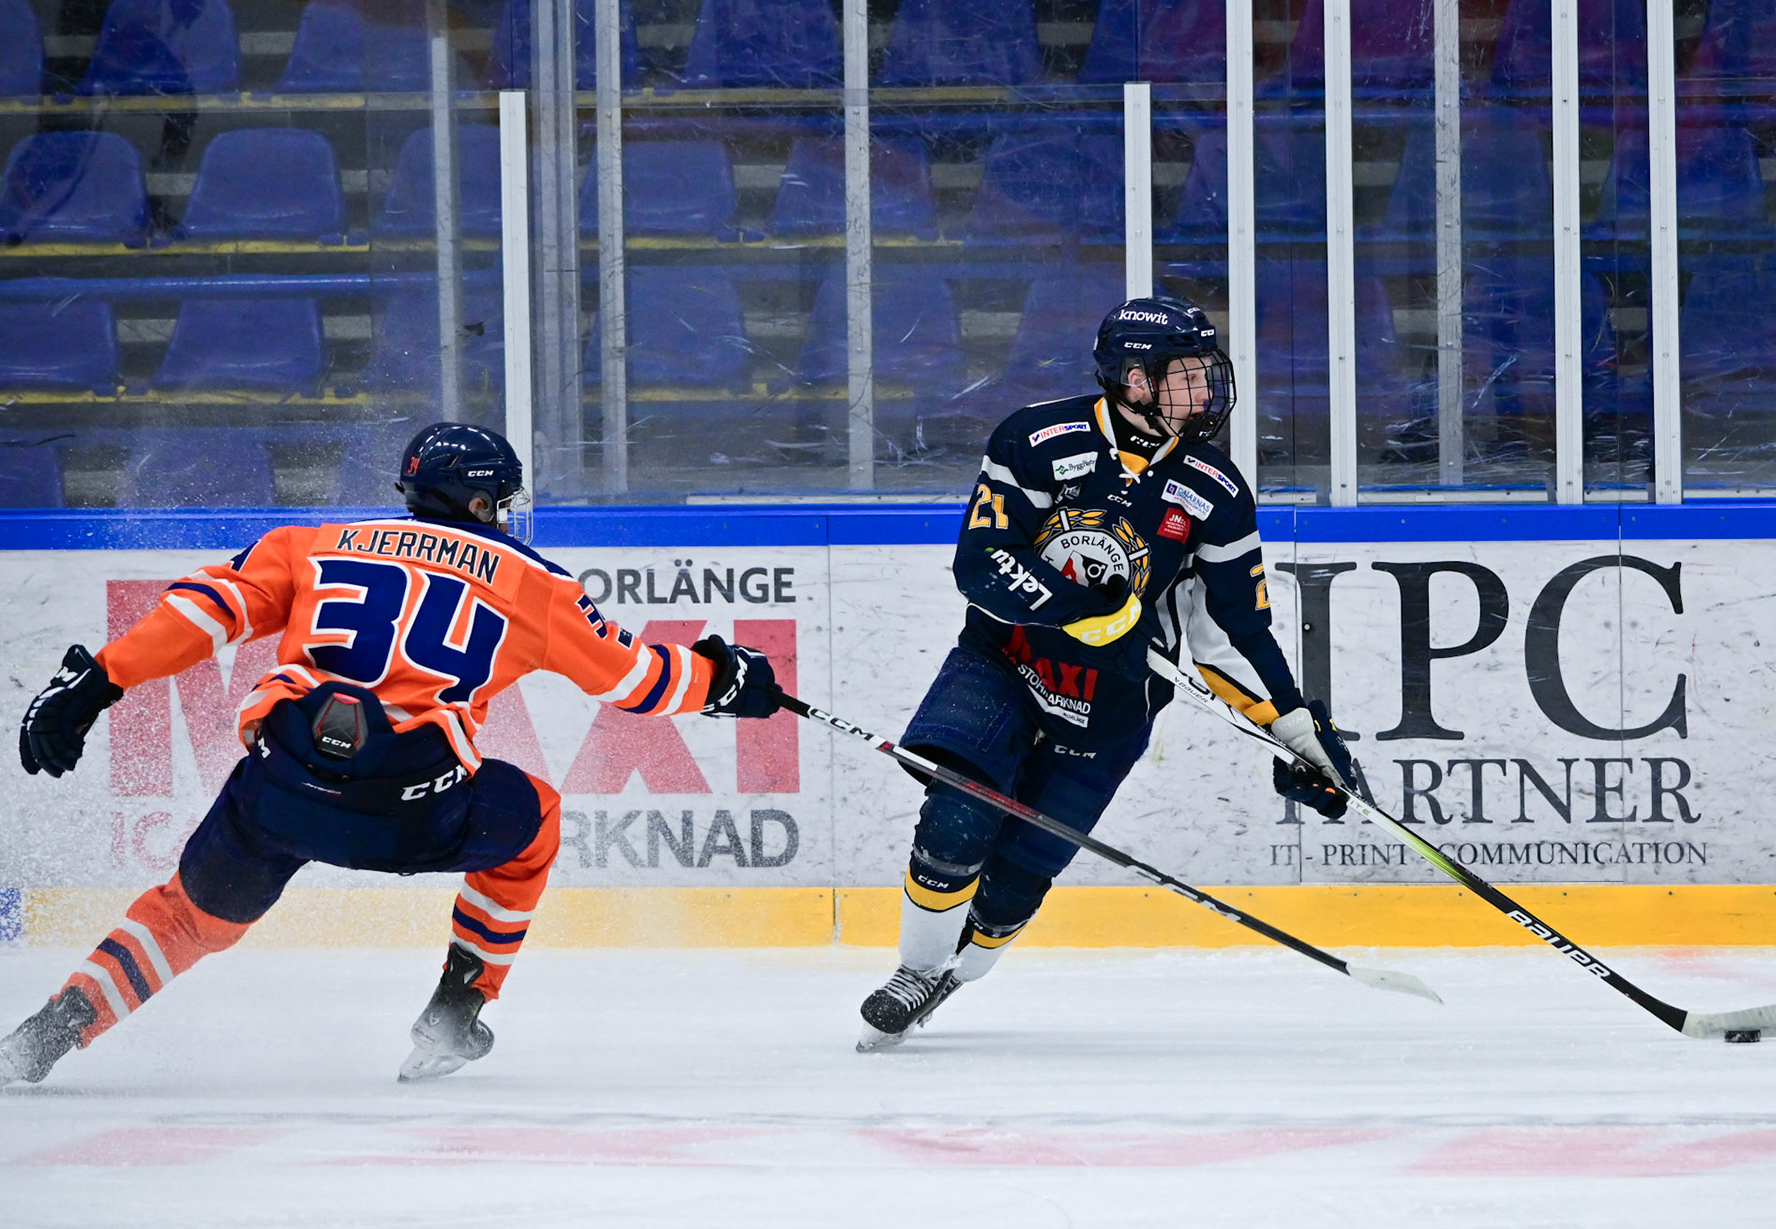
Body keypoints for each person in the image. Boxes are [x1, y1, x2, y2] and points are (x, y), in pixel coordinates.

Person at [0, 423, 783, 1086]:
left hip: (283, 783)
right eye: (502, 502)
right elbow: (637, 682)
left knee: (187, 916)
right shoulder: (534, 583)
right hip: (414, 806)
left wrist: (101, 681)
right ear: (480, 503)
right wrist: (724, 679)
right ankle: (455, 1011)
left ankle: (53, 1030)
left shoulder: (313, 544)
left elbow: (206, 610)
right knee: (535, 820)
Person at [857, 296, 1360, 1049]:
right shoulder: (1035, 438)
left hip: (1114, 700)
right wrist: (1074, 610)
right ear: (1133, 379)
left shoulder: (1215, 489)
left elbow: (1231, 632)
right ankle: (915, 972)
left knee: (1015, 886)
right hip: (1004, 661)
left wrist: (1293, 730)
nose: (1204, 390)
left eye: (1206, 373)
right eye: (1185, 375)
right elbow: (982, 562)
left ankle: (958, 973)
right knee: (959, 814)